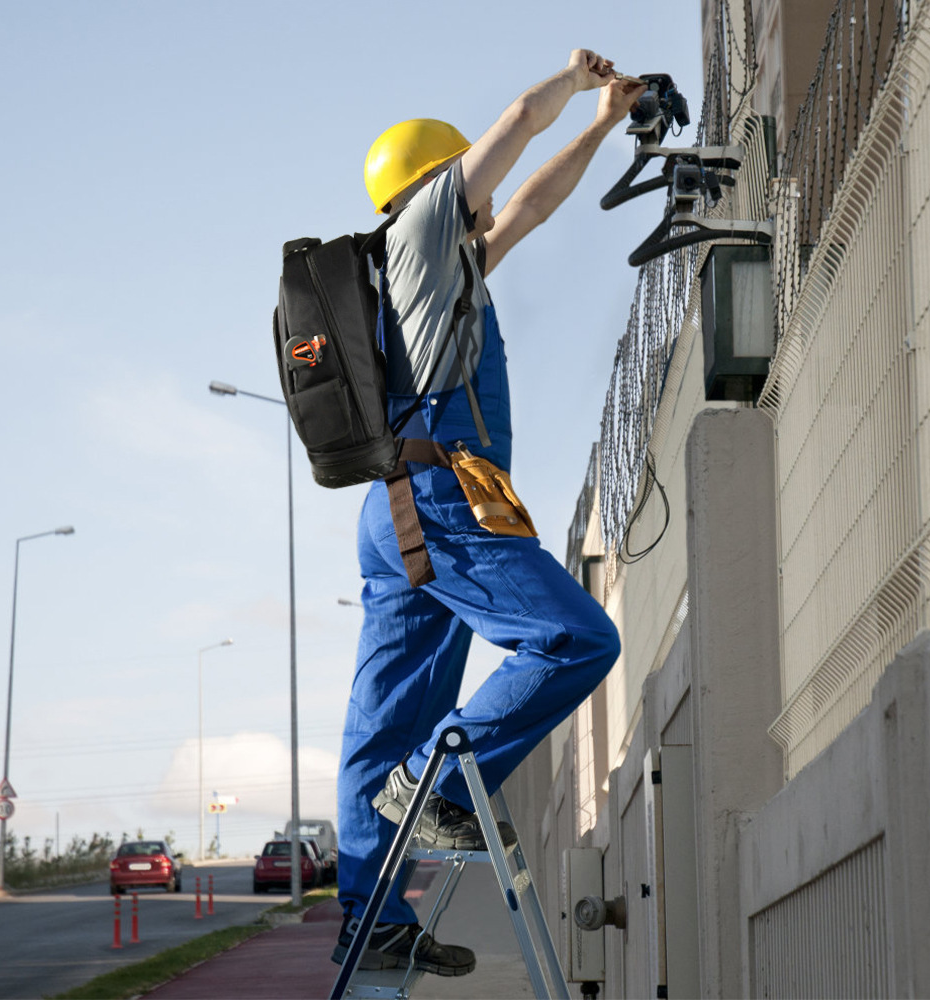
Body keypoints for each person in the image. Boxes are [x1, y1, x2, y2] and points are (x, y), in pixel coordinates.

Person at [333, 49, 642, 977]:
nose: (489, 191)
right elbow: (516, 127)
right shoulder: (421, 232)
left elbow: (534, 205)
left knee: (387, 714)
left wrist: (602, 126)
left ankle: (371, 919)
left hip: (398, 507)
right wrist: (572, 83)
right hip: (441, 500)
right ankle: (433, 786)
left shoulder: (440, 273)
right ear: (434, 184)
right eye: (467, 176)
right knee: (575, 639)